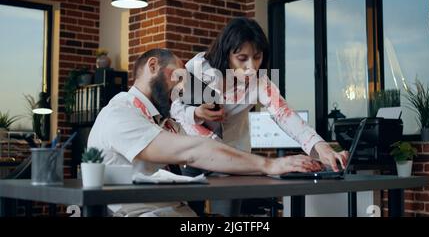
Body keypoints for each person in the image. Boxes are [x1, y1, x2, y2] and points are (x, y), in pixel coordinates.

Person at [87, 48, 322, 217]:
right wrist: (271, 165)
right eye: (177, 76)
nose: (182, 88)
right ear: (152, 66)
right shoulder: (121, 113)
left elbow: (209, 149)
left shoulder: (162, 121)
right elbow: (196, 150)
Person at [170, 17, 349, 216]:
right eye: (242, 58)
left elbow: (285, 114)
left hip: (235, 156)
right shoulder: (198, 69)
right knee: (189, 215)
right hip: (195, 152)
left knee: (229, 217)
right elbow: (174, 108)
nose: (252, 66)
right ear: (226, 52)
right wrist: (195, 113)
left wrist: (320, 147)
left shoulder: (260, 82)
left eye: (257, 57)